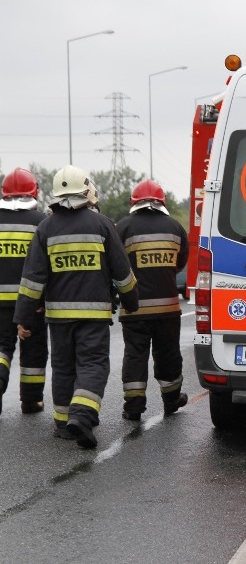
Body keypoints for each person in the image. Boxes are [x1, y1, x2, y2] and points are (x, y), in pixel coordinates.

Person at [15, 165, 139, 448]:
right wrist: (131, 302)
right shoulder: (102, 224)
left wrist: (23, 317)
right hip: (93, 316)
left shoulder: (46, 228)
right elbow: (122, 272)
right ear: (86, 191)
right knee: (93, 364)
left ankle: (62, 423)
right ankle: (82, 416)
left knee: (63, 367)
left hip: (58, 317)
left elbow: (32, 278)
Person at [115, 180, 189, 420]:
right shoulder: (175, 227)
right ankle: (171, 399)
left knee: (135, 356)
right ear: (162, 202)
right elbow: (180, 264)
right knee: (168, 354)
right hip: (168, 309)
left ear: (133, 202)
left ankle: (134, 407)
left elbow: (116, 266)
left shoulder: (123, 228)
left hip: (134, 309)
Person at [0, 168, 48, 415]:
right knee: (34, 351)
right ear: (34, 192)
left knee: (1, 347)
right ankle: (31, 401)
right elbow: (46, 267)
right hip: (30, 302)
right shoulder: (41, 222)